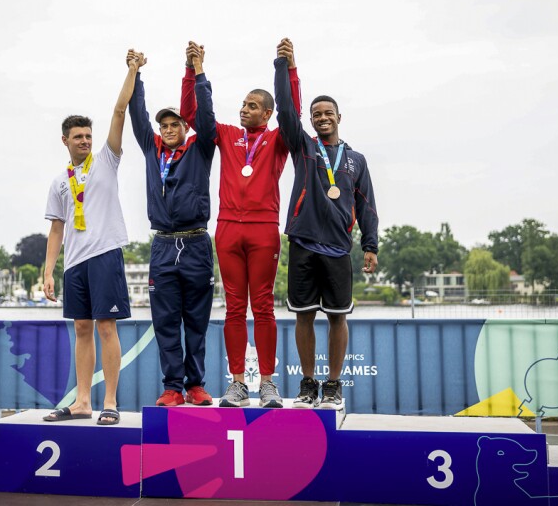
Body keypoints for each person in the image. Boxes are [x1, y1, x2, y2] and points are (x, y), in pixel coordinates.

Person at [179, 41, 301, 408]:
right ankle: (236, 384)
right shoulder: (229, 135)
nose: (243, 109)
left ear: (266, 112)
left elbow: (292, 112)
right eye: (243, 104)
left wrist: (287, 68)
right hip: (228, 228)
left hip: (264, 228)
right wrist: (194, 71)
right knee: (234, 306)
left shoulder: (278, 140)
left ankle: (267, 383)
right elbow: (193, 117)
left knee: (262, 306)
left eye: (251, 105)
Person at [273, 38, 379, 409]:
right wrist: (285, 67)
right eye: (316, 114)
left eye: (327, 112)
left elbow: (367, 205)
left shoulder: (356, 160)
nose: (321, 117)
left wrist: (370, 245)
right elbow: (286, 111)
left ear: (338, 117)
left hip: (337, 246)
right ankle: (307, 384)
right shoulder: (303, 147)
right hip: (303, 241)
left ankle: (332, 386)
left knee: (337, 318)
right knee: (303, 316)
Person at [42, 51, 134, 425]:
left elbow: (118, 112)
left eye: (88, 136)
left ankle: (109, 402)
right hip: (75, 262)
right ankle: (82, 402)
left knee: (106, 327)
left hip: (105, 254)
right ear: (64, 140)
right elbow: (56, 229)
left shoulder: (107, 159)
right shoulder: (59, 181)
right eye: (78, 136)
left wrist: (131, 70)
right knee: (81, 329)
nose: (84, 141)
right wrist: (48, 272)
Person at [127, 45, 216, 407]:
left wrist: (198, 72)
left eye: (173, 125)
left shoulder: (200, 148)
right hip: (163, 245)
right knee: (166, 322)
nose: (166, 130)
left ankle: (196, 385)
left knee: (196, 322)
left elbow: (207, 118)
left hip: (195, 244)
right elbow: (137, 114)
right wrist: (136, 74)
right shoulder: (152, 150)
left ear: (184, 127)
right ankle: (172, 387)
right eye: (163, 126)